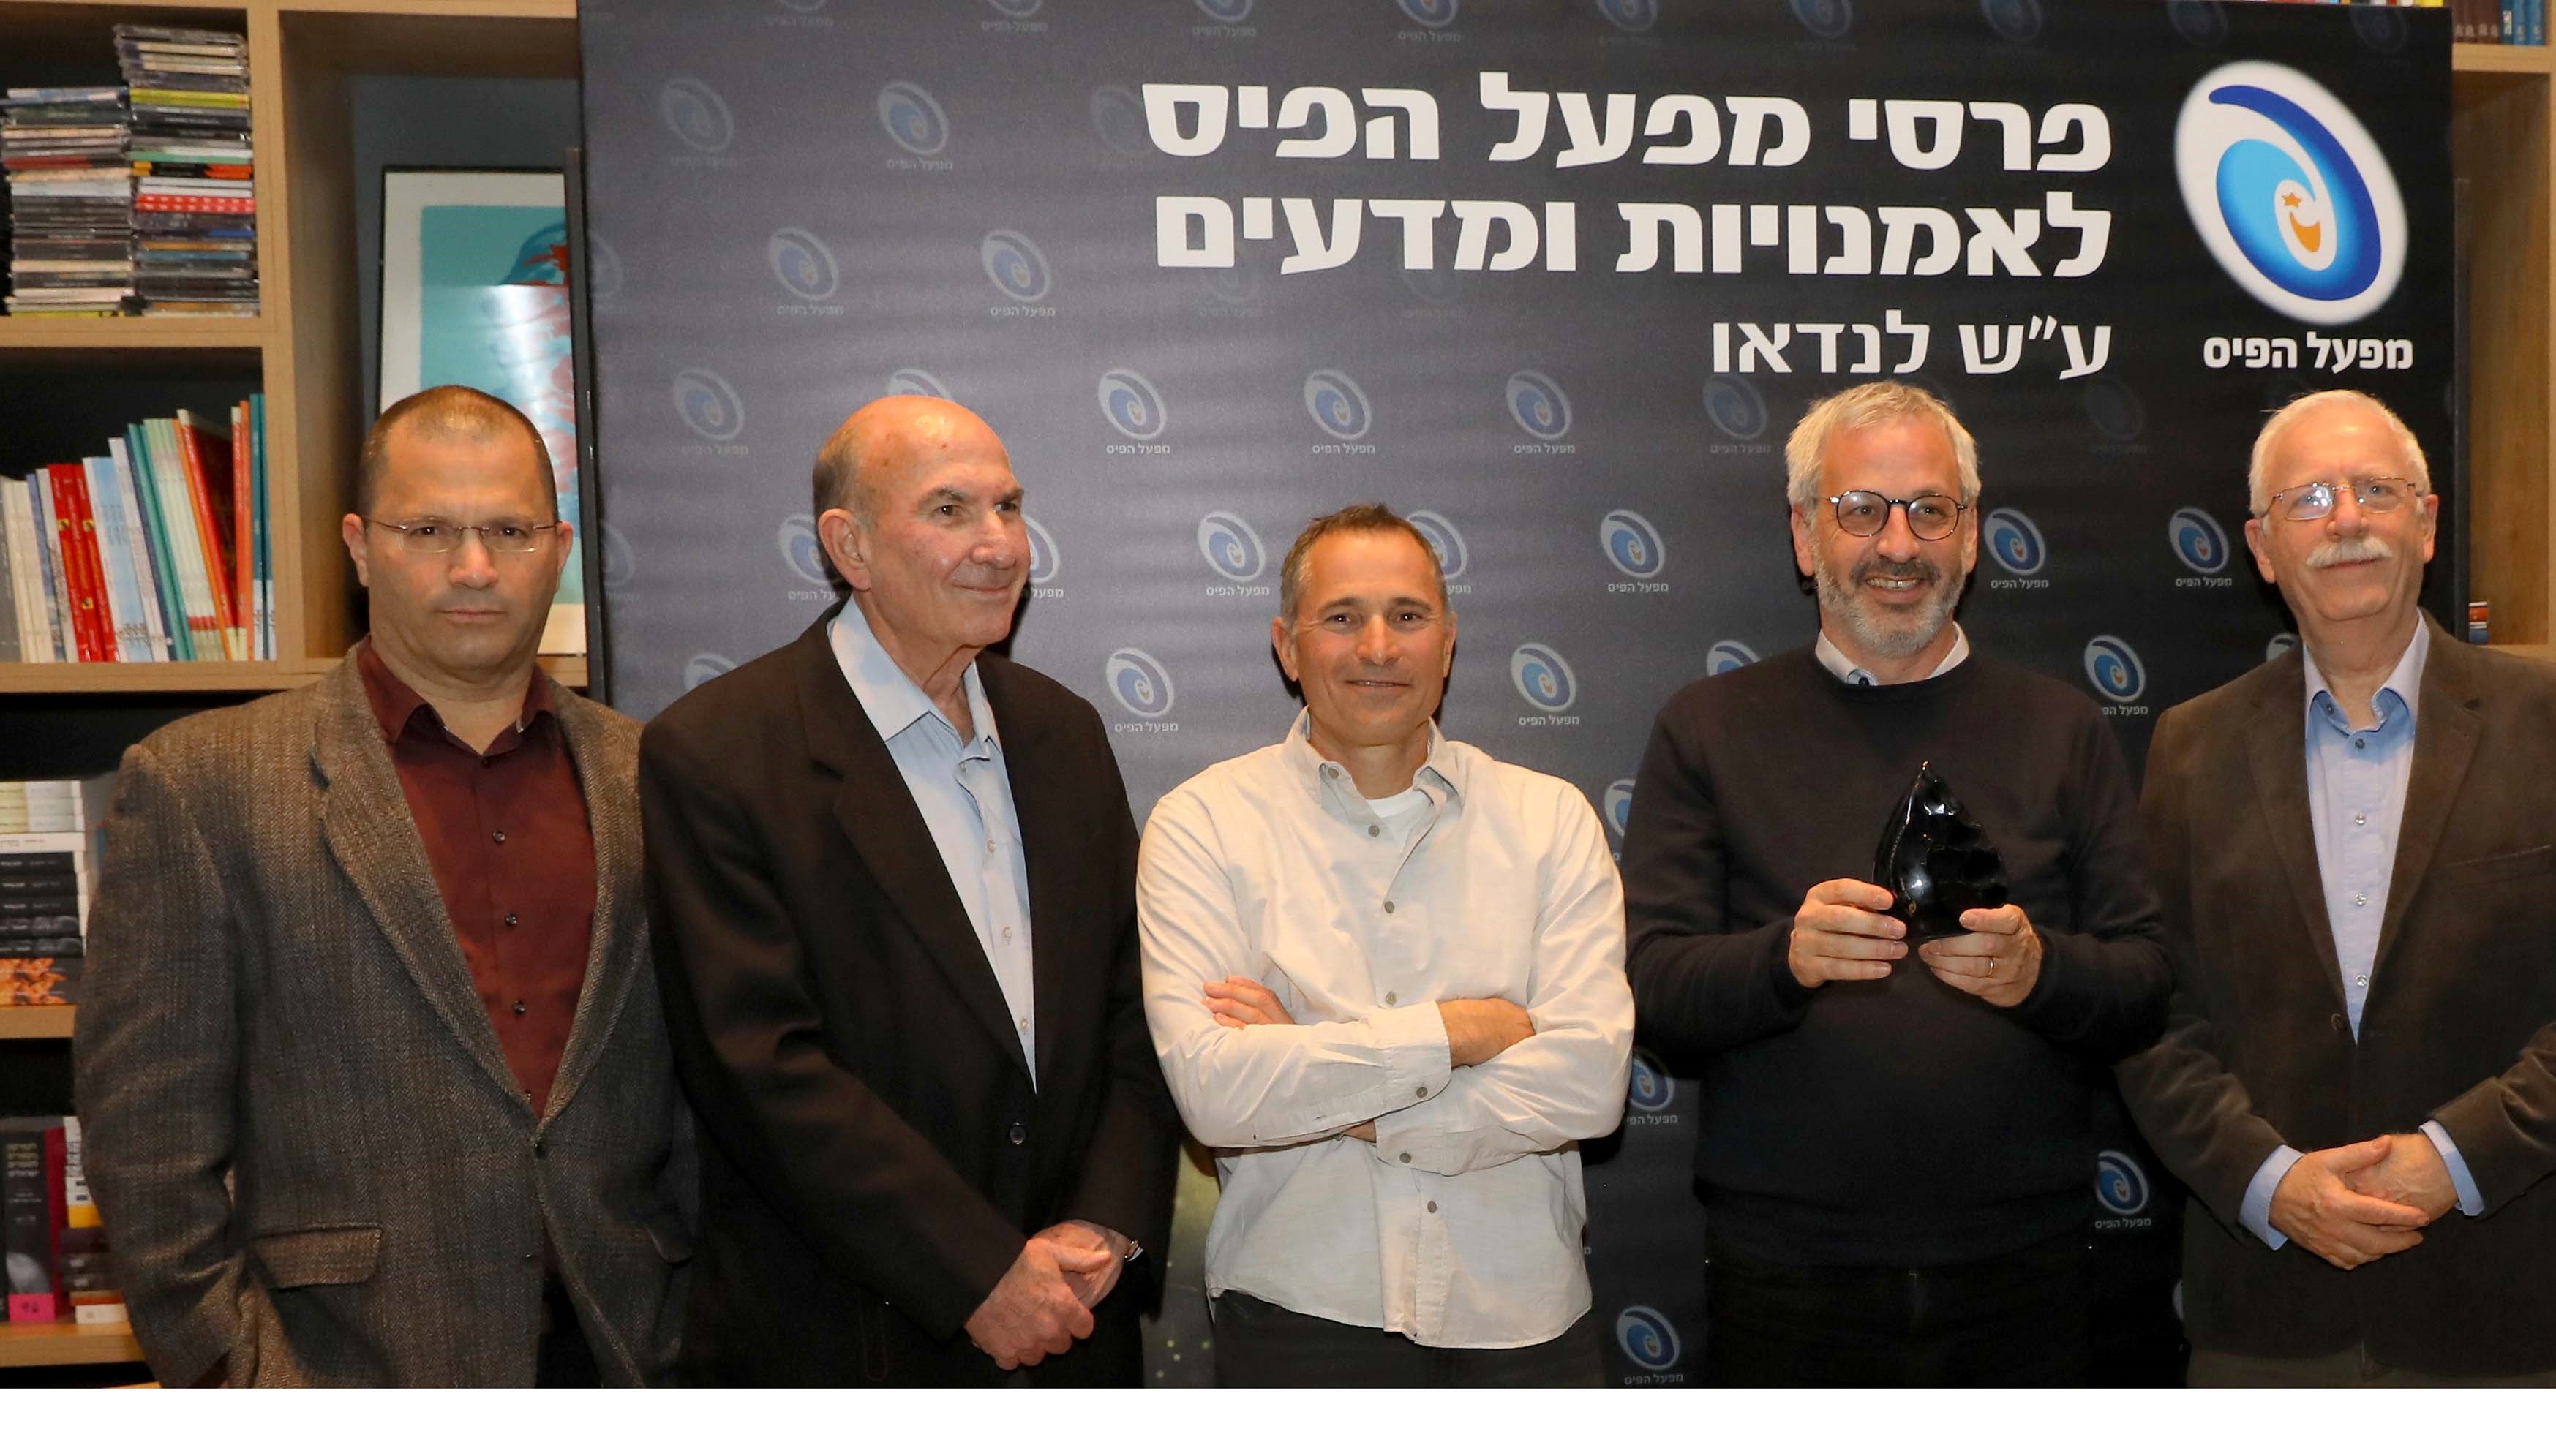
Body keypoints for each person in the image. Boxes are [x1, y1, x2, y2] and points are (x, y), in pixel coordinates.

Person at [78, 385, 691, 1386]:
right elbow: (148, 1149)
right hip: (342, 1369)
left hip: (632, 1357)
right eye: (429, 529)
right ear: (360, 547)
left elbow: (705, 1107)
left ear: (560, 548)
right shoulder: (204, 784)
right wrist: (245, 1385)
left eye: (509, 529)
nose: (474, 565)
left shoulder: (654, 776)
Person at [2116, 388, 2556, 1386]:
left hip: (2500, 1313)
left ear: (2425, 522)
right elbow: (2154, 1014)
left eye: (2375, 489)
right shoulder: (2188, 747)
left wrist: (2448, 1159)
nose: (2345, 519)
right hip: (2267, 1319)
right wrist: (2271, 1181)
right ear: (2260, 545)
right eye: (2309, 497)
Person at [1621, 381, 2173, 1386]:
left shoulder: (2063, 728)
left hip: (2024, 1266)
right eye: (1859, 510)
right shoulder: (1707, 726)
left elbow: (2143, 980)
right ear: (1804, 534)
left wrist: (2039, 971)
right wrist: (1783, 959)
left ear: (1972, 535)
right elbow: (1654, 988)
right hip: (1787, 1273)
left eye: (1929, 509)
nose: (1897, 543)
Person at [642, 396, 1176, 1385]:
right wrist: (978, 1271)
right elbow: (759, 1067)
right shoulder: (719, 753)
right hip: (848, 1341)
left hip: (1074, 1323)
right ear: (849, 546)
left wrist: (1104, 1223)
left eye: (1008, 506)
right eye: (949, 510)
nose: (1000, 544)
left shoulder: (1063, 733)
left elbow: (1131, 1008)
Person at [1137, 504, 1634, 1386]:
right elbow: (1217, 1094)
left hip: (1524, 1317)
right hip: (1297, 1312)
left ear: (1447, 642)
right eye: (1341, 617)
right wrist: (1460, 1030)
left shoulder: (1549, 819)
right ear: (1287, 647)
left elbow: (1589, 1083)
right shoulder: (1202, 825)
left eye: (1407, 615)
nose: (1377, 646)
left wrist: (1316, 1065)